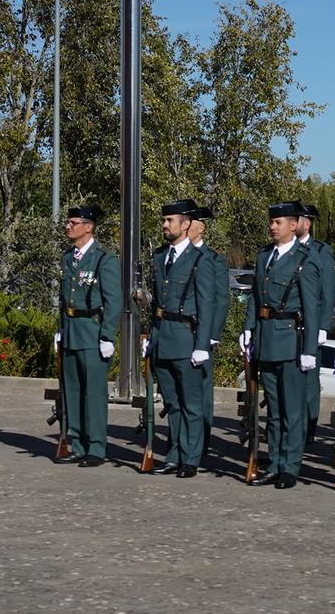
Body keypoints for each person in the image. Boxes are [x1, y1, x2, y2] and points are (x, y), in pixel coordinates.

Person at [241, 203, 321, 489]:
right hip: (266, 339)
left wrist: (310, 348)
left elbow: (311, 307)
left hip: (290, 340)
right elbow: (256, 296)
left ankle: (290, 466)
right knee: (274, 409)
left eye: (278, 222)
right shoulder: (264, 256)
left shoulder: (304, 260)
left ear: (293, 225)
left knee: (292, 410)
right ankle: (274, 463)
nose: (273, 227)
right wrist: (249, 328)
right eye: (271, 222)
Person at [148, 199, 219, 478]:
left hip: (186, 339)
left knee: (191, 404)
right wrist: (150, 335)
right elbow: (157, 303)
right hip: (163, 338)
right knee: (172, 403)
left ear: (186, 224)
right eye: (164, 220)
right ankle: (174, 454)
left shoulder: (200, 260)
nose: (165, 225)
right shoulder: (159, 257)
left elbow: (207, 305)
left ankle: (191, 458)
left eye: (170, 221)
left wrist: (202, 345)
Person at [52, 205, 121, 467]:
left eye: (74, 223)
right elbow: (64, 299)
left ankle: (96, 448)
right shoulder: (67, 258)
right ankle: (78, 445)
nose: (68, 226)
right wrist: (61, 329)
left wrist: (108, 336)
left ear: (88, 227)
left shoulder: (103, 259)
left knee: (93, 394)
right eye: (68, 222)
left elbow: (113, 301)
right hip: (71, 331)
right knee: (72, 392)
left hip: (92, 332)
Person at [186, 204, 230, 453]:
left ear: (200, 228)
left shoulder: (213, 259)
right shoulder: (177, 255)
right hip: (179, 331)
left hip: (200, 332)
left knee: (201, 388)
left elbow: (221, 298)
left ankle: (201, 438)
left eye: (189, 223)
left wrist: (212, 334)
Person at [293, 202, 335, 444]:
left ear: (307, 223)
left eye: (296, 219)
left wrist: (322, 326)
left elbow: (327, 292)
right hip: (288, 326)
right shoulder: (284, 250)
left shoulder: (320, 251)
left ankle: (307, 430)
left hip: (310, 325)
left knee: (309, 380)